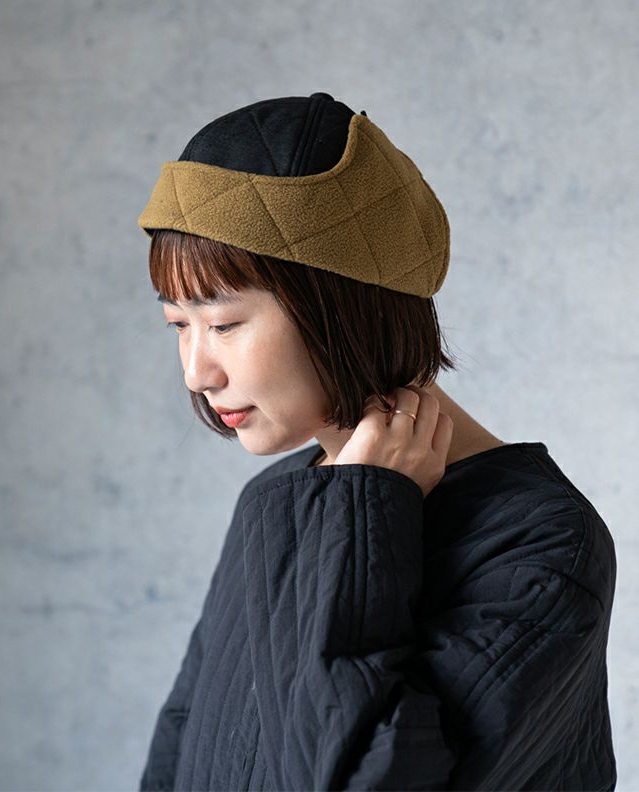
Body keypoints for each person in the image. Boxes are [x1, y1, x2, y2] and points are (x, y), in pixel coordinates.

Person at [136, 93, 617, 791]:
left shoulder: (543, 543)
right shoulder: (273, 499)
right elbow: (178, 759)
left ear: (345, 303)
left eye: (225, 324)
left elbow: (359, 778)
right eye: (179, 326)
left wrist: (365, 509)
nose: (196, 372)